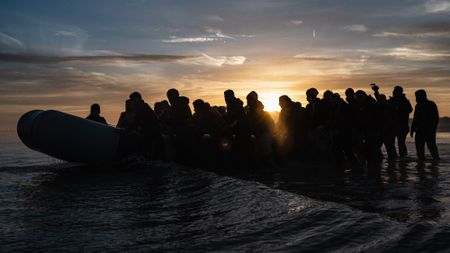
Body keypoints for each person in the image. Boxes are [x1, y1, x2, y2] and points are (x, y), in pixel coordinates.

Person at [410, 89, 440, 160]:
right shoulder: (418, 106)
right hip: (419, 130)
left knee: (432, 147)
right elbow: (415, 118)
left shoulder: (431, 104)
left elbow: (435, 118)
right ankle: (421, 165)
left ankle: (435, 163)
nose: (416, 98)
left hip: (429, 131)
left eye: (417, 96)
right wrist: (412, 129)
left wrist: (433, 129)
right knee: (420, 150)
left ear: (422, 96)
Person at [389, 86, 413, 157]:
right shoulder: (392, 100)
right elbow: (382, 102)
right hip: (393, 126)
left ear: (399, 92)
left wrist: (399, 108)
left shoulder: (405, 101)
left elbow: (410, 109)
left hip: (402, 127)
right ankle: (394, 157)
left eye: (395, 91)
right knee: (391, 143)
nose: (393, 92)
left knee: (401, 143)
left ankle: (403, 157)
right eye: (393, 90)